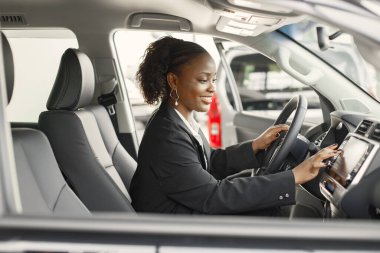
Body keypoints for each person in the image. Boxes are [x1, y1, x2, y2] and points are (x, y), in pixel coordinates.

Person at [130, 36, 339, 216]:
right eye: (203, 80)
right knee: (269, 209)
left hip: (186, 212)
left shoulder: (178, 119)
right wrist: (294, 176)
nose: (213, 88)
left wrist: (255, 146)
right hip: (173, 229)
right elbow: (213, 196)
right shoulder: (167, 134)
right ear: (173, 81)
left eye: (214, 79)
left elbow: (209, 161)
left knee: (264, 199)